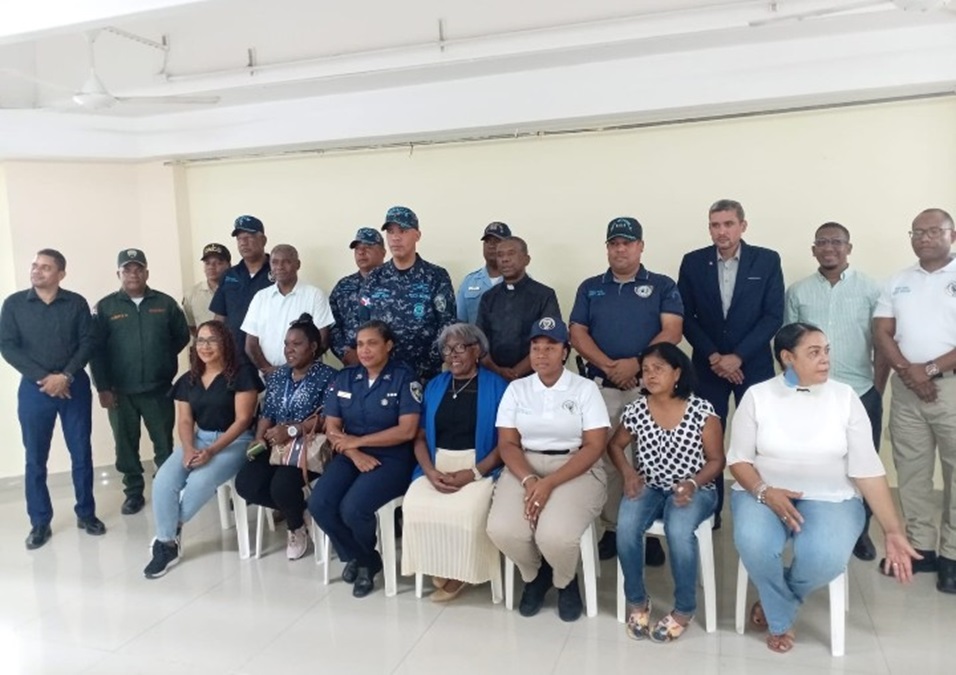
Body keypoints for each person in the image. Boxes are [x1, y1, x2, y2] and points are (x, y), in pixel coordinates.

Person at [728, 322, 919, 653]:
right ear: (787, 357)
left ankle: (778, 602)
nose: (825, 359)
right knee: (755, 544)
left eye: (826, 351)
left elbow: (868, 470)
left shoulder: (845, 398)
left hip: (832, 497)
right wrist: (765, 492)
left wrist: (892, 530)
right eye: (814, 352)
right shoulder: (758, 396)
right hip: (763, 492)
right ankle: (781, 619)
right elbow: (739, 461)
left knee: (825, 557)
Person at [570, 216, 684, 562]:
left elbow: (673, 330)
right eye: (614, 243)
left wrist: (637, 363)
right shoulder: (591, 287)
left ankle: (649, 531)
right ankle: (612, 527)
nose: (620, 249)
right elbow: (577, 333)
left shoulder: (662, 285)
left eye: (627, 243)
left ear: (641, 246)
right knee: (606, 458)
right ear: (607, 248)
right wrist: (610, 367)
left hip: (649, 388)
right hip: (601, 388)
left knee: (650, 458)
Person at [486, 317, 610, 622]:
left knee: (555, 536)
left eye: (550, 347)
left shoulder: (584, 389)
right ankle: (535, 576)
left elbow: (594, 446)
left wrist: (549, 483)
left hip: (575, 466)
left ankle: (565, 582)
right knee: (502, 530)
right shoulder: (517, 389)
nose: (541, 354)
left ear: (564, 352)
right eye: (535, 347)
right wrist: (530, 479)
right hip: (524, 464)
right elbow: (508, 444)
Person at [785, 222, 888, 560]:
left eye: (837, 242)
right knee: (814, 460)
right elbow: (787, 345)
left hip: (860, 390)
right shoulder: (798, 292)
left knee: (863, 463)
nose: (829, 248)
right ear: (813, 249)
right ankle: (809, 523)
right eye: (822, 242)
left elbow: (882, 342)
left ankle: (860, 531)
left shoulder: (871, 289)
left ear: (849, 247)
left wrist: (876, 389)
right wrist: (793, 390)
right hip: (811, 394)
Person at [677, 199, 784, 526]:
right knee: (707, 440)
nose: (721, 231)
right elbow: (686, 316)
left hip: (753, 365)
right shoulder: (693, 262)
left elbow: (772, 316)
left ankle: (763, 507)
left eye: (728, 224)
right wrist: (715, 357)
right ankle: (711, 510)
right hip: (707, 367)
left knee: (761, 438)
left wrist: (737, 357)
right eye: (715, 225)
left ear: (742, 226)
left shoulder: (766, 260)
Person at [608, 342, 724, 643]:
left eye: (658, 368)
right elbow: (615, 445)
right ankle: (637, 602)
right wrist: (628, 473)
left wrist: (693, 484)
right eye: (645, 370)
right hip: (650, 485)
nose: (650, 375)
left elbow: (717, 461)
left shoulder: (702, 411)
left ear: (677, 373)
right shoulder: (636, 410)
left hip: (696, 488)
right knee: (626, 527)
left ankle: (684, 609)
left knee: (678, 530)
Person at [873, 207, 956, 594]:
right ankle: (922, 548)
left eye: (933, 231)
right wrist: (909, 371)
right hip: (907, 390)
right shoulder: (898, 281)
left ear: (952, 235)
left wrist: (932, 369)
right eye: (917, 232)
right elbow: (882, 332)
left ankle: (952, 555)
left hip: (950, 388)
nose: (924, 238)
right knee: (911, 470)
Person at [0, 248, 106, 549]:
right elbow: (7, 346)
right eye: (35, 265)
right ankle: (39, 522)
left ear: (61, 274)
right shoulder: (14, 304)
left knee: (81, 453)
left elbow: (88, 342)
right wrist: (44, 378)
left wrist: (66, 376)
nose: (37, 270)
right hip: (35, 390)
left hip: (74, 387)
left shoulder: (75, 303)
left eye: (45, 267)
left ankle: (86, 514)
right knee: (35, 457)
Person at [308, 320, 421, 597]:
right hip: (349, 453)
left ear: (388, 345)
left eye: (372, 343)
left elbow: (407, 431)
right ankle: (365, 559)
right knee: (319, 503)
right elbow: (332, 428)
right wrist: (354, 451)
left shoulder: (404, 378)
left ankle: (361, 562)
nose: (365, 350)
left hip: (392, 458)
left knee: (353, 508)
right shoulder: (346, 377)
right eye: (360, 344)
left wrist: (358, 442)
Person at [143, 320, 262, 578]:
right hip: (198, 439)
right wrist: (188, 449)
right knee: (163, 480)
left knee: (199, 481)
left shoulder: (243, 374)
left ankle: (168, 535)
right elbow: (185, 421)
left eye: (212, 340)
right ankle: (168, 542)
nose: (205, 346)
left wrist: (212, 451)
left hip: (235, 441)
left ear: (225, 343)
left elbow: (243, 421)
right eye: (200, 341)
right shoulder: (188, 380)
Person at [401, 323, 509, 601]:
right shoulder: (435, 386)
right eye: (447, 349)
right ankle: (441, 564)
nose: (452, 355)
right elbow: (419, 437)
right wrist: (429, 471)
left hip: (481, 468)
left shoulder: (498, 387)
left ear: (477, 350)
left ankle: (461, 573)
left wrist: (473, 473)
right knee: (415, 505)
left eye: (460, 347)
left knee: (465, 511)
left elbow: (507, 443)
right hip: (436, 466)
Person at [90, 248, 190, 516]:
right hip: (119, 392)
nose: (133, 274)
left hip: (158, 389)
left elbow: (181, 337)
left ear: (147, 272)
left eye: (138, 269)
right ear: (118, 274)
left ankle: (165, 488)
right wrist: (102, 388)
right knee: (125, 445)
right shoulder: (105, 307)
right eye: (127, 269)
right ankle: (133, 492)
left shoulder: (165, 304)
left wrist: (161, 359)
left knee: (164, 444)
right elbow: (96, 351)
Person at [235, 314, 337, 560]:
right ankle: (300, 512)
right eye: (286, 344)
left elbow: (327, 418)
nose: (289, 350)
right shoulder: (279, 375)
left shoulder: (329, 376)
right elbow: (268, 412)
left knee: (281, 486)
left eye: (296, 344)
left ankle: (295, 528)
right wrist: (259, 438)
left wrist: (292, 430)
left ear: (313, 347)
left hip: (308, 446)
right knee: (246, 484)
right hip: (275, 445)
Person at [361, 206, 457, 381]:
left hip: (424, 375)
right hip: (383, 376)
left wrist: (427, 364)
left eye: (403, 231)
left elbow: (447, 325)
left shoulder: (436, 276)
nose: (396, 238)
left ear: (417, 235)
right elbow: (364, 324)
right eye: (390, 232)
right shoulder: (375, 277)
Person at [476, 236, 561, 381]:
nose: (505, 259)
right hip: (493, 376)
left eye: (511, 254)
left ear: (526, 259)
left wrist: (516, 372)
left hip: (533, 377)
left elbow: (548, 339)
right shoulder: (488, 297)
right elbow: (479, 340)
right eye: (500, 255)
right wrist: (497, 371)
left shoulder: (544, 295)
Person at [241, 244, 334, 374]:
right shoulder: (260, 297)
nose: (280, 267)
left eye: (286, 262)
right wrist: (270, 372)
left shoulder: (315, 295)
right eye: (275, 262)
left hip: (304, 376)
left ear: (298, 265)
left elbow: (322, 341)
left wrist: (287, 371)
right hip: (266, 376)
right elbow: (251, 344)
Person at [209, 215, 273, 363]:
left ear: (263, 240)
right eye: (239, 239)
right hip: (235, 357)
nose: (243, 243)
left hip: (269, 356)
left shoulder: (277, 272)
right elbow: (219, 317)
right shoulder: (229, 275)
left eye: (248, 237)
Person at [329, 228, 386, 366]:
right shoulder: (343, 287)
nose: (361, 252)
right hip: (353, 365)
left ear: (383, 252)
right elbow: (332, 325)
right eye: (357, 249)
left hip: (389, 363)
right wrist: (346, 353)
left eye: (368, 247)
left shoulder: (395, 283)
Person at [456, 221, 512, 324]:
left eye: (497, 241)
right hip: (475, 334)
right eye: (488, 241)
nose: (491, 246)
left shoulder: (520, 281)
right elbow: (460, 323)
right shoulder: (469, 281)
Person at [183, 243, 231, 336]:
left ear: (228, 265)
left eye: (218, 263)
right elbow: (191, 326)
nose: (211, 267)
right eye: (207, 263)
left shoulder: (237, 290)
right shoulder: (192, 294)